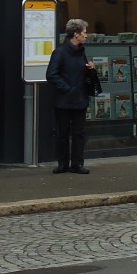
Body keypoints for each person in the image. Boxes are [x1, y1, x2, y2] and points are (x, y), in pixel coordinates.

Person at [45, 18, 98, 174]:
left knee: (79, 133)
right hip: (64, 100)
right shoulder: (60, 52)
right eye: (84, 32)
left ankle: (77, 164)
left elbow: (81, 72)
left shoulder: (81, 51)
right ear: (76, 34)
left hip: (80, 99)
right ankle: (63, 164)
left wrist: (90, 69)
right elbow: (51, 74)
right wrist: (67, 89)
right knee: (62, 133)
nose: (86, 36)